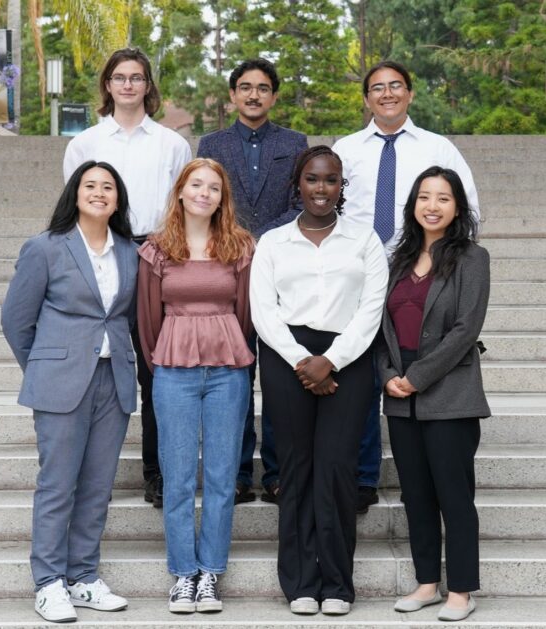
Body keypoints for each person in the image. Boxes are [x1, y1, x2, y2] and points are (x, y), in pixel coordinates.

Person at [331, 60, 481, 514]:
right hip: (358, 276)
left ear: (410, 94)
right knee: (360, 374)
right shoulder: (346, 148)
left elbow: (468, 210)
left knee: (406, 365)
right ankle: (361, 477)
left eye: (396, 86)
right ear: (366, 98)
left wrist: (440, 274)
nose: (387, 94)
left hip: (415, 275)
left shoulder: (438, 148)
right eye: (377, 88)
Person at [250, 146, 388, 616]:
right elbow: (263, 312)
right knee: (295, 468)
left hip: (347, 358)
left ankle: (337, 584)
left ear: (341, 186)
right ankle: (300, 582)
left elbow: (371, 309)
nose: (321, 188)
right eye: (312, 179)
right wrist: (302, 361)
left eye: (331, 180)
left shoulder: (363, 239)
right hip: (287, 356)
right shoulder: (272, 242)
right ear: (298, 184)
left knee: (336, 470)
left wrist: (331, 360)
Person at [1, 161, 139, 623]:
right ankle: (48, 582)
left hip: (113, 378)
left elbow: (128, 316)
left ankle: (83, 578)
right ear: (74, 194)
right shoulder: (45, 247)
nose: (99, 193)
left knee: (98, 487)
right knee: (58, 484)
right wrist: (45, 366)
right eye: (90, 185)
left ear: (118, 199)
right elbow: (16, 321)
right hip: (60, 382)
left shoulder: (129, 251)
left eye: (108, 187)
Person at [64, 48, 192, 509]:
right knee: (98, 366)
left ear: (148, 85)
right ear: (108, 85)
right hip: (106, 252)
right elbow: (77, 209)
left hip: (159, 254)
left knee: (157, 369)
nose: (128, 85)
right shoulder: (85, 144)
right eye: (119, 77)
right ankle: (82, 466)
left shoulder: (172, 145)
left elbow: (184, 207)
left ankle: (157, 472)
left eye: (137, 77)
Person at [136, 158, 255, 614]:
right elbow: (147, 321)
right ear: (181, 191)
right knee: (180, 476)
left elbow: (246, 313)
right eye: (197, 185)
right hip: (173, 369)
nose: (205, 193)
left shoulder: (241, 246)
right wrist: (165, 358)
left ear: (223, 198)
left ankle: (211, 574)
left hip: (228, 368)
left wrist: (225, 343)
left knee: (223, 477)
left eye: (214, 188)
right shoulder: (156, 248)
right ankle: (183, 574)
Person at [376, 166, 490, 622]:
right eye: (425, 196)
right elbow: (378, 326)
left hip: (449, 395)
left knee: (453, 494)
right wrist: (386, 374)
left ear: (457, 207)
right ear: (413, 204)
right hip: (399, 396)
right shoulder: (397, 261)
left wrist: (418, 377)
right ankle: (427, 583)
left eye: (443, 198)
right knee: (416, 494)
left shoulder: (472, 258)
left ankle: (461, 589)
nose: (433, 205)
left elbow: (465, 329)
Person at [197, 58, 308, 505]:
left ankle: (279, 472)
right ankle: (238, 472)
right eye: (245, 87)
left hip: (281, 271)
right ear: (232, 95)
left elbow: (303, 200)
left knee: (280, 375)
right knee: (235, 374)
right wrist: (237, 240)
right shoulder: (212, 143)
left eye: (263, 88)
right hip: (226, 270)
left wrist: (262, 239)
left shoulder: (295, 142)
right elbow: (204, 199)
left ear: (274, 96)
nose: (254, 95)